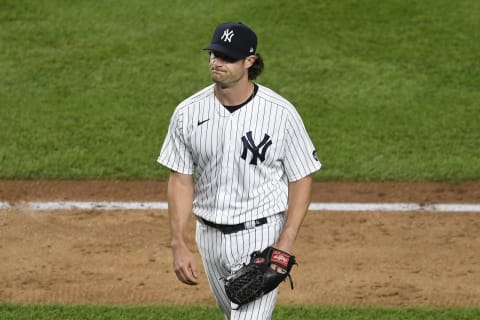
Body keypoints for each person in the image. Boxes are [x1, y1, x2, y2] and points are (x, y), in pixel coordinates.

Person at [157, 21, 321, 320]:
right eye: (214, 55)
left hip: (260, 237)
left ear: (250, 61)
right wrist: (178, 242)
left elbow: (301, 177)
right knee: (231, 313)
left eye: (227, 58)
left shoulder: (280, 113)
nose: (217, 63)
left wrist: (285, 242)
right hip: (208, 237)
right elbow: (180, 179)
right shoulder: (187, 113)